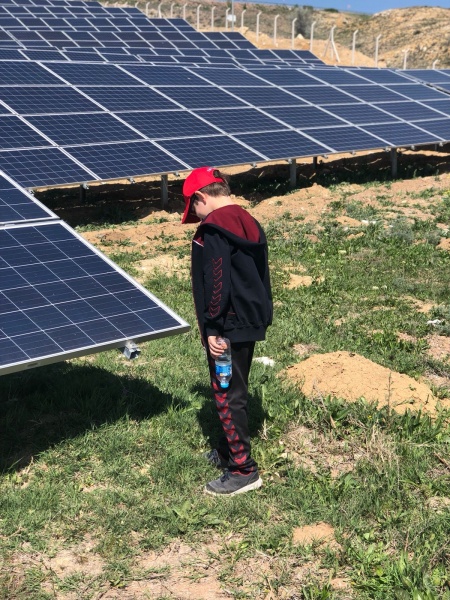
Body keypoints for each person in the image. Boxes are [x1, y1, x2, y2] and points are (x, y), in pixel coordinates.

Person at [181, 166, 273, 496]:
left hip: (227, 326)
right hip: (248, 318)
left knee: (225, 393)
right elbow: (258, 274)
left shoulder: (214, 229)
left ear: (201, 196)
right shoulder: (249, 221)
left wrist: (213, 327)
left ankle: (243, 469)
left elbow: (216, 280)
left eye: (193, 207)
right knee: (235, 388)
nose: (195, 215)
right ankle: (226, 450)